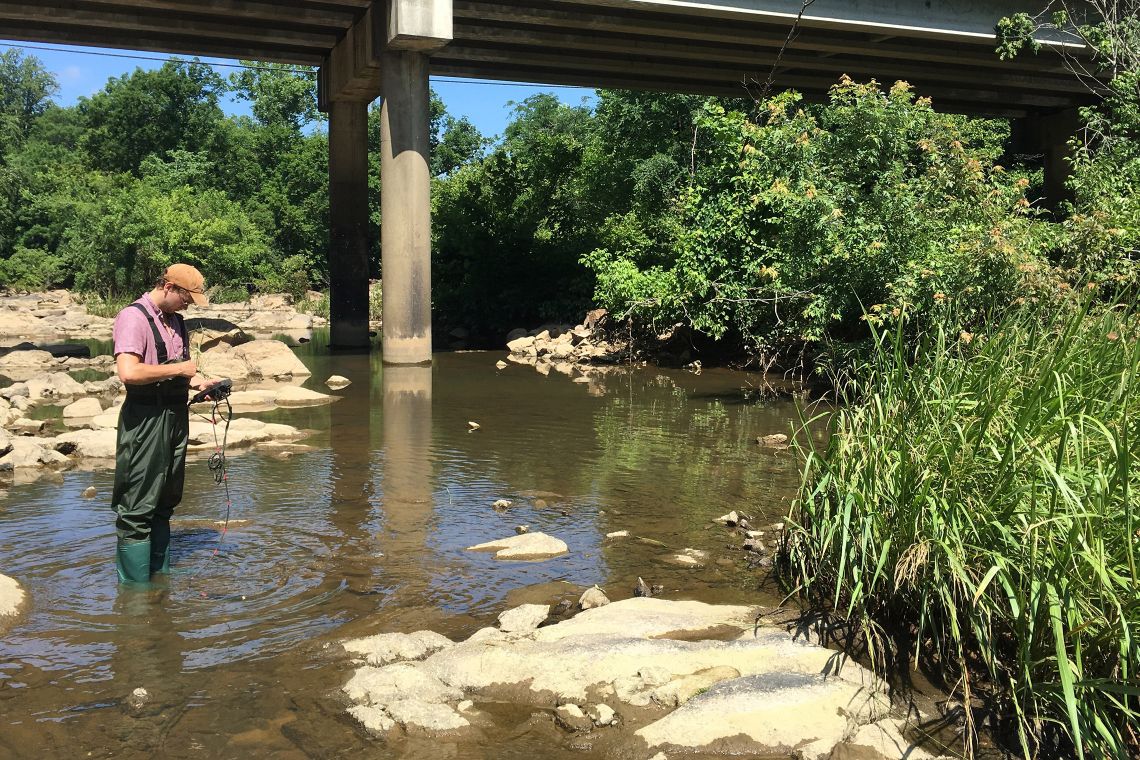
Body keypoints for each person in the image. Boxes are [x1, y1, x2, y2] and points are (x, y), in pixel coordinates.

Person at [110, 264, 217, 583]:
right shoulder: (133, 317)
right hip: (145, 420)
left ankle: (160, 582)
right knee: (137, 506)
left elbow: (180, 371)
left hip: (175, 417)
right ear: (169, 287)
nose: (189, 304)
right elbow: (128, 372)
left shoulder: (177, 323)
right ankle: (136, 595)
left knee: (165, 500)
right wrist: (180, 370)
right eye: (187, 297)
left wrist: (200, 384)